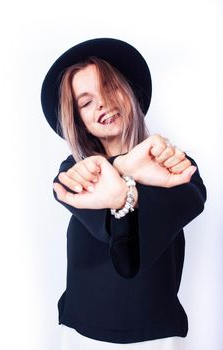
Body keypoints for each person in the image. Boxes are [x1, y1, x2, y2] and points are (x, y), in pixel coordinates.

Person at [40, 38, 207, 350]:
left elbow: (193, 198)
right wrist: (127, 166)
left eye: (109, 87)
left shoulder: (171, 162)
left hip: (156, 336)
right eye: (86, 102)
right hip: (81, 333)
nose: (102, 103)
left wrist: (125, 190)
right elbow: (66, 188)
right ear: (79, 121)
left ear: (129, 92)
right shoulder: (75, 169)